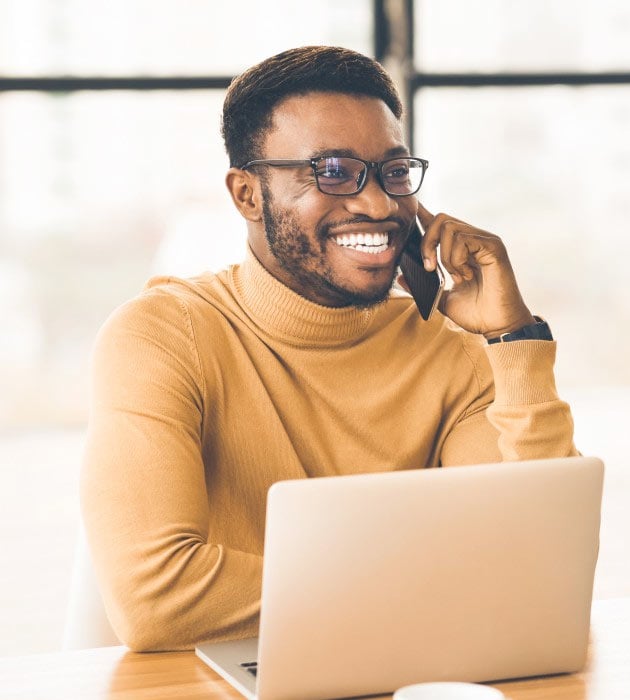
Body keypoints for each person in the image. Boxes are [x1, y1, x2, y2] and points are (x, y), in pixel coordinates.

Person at [80, 46, 577, 652]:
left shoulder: (453, 346)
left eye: (393, 172)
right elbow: (156, 599)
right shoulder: (162, 337)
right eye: (332, 171)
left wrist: (511, 338)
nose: (377, 205)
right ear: (247, 194)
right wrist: (437, 584)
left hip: (409, 672)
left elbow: (542, 565)